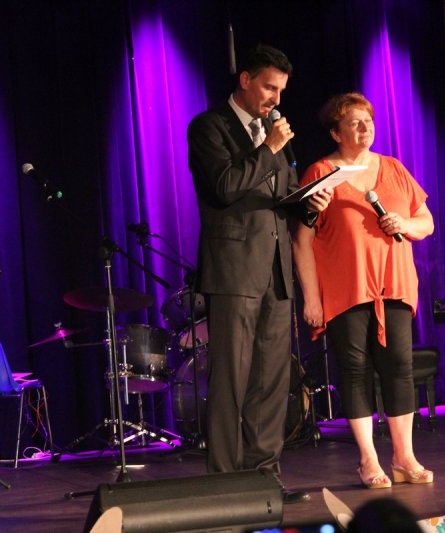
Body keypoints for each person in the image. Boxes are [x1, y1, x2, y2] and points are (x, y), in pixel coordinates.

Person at [187, 44, 331, 504]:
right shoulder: (209, 127)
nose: (276, 99)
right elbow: (225, 187)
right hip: (233, 271)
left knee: (272, 381)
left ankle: (264, 477)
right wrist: (269, 149)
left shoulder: (274, 134)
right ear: (245, 80)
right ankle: (225, 483)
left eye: (281, 91)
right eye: (269, 87)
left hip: (276, 272)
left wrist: (310, 206)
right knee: (231, 381)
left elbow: (281, 202)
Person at [293, 92, 434, 489]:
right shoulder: (321, 172)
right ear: (336, 133)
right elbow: (301, 241)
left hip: (394, 284)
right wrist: (312, 298)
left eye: (368, 121)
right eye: (354, 122)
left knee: (399, 368)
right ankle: (368, 460)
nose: (364, 127)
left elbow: (426, 221)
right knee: (355, 371)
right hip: (346, 287)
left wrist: (404, 224)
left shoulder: (393, 168)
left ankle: (404, 457)